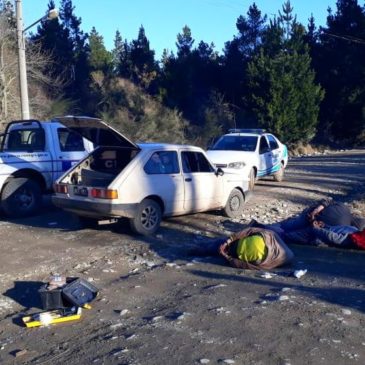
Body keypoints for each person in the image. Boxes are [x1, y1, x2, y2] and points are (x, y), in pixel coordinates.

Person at [251, 198, 365, 245]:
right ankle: (260, 228)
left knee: (286, 226)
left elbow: (327, 200)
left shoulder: (344, 207)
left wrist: (318, 208)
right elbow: (330, 236)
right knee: (286, 233)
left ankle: (261, 227)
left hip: (310, 215)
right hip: (313, 225)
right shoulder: (346, 228)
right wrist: (317, 227)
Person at [191, 227, 294, 270]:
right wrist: (228, 245)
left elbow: (246, 265)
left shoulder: (266, 235)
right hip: (260, 251)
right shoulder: (266, 235)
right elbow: (247, 265)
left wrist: (227, 253)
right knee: (220, 246)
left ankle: (198, 248)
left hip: (259, 249)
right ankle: (201, 247)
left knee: (218, 245)